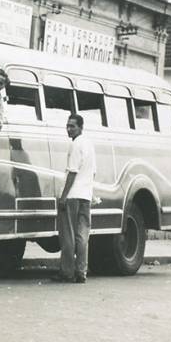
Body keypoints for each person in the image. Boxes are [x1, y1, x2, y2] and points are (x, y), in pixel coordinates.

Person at [53, 114, 96, 284]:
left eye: (73, 126)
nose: (69, 129)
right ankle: (81, 272)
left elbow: (72, 172)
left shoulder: (76, 145)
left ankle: (67, 272)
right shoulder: (89, 145)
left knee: (68, 236)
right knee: (82, 235)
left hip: (72, 196)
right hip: (86, 195)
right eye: (68, 126)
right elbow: (93, 172)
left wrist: (63, 197)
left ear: (80, 127)